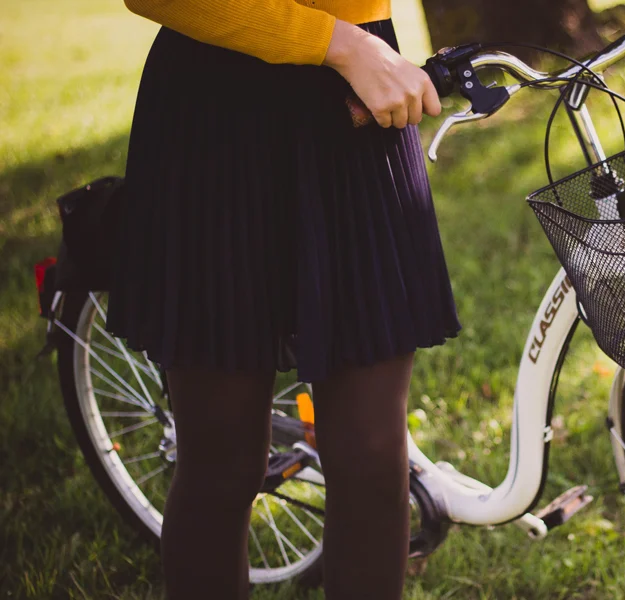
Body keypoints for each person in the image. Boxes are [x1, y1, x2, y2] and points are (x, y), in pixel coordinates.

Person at [106, 1, 461, 598]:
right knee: (222, 462)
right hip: (217, 112)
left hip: (359, 103)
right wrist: (342, 45)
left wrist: (358, 49)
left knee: (374, 456)